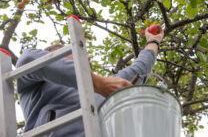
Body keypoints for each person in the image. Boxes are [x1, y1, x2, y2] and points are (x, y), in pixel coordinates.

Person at [16, 28, 164, 137]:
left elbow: (139, 69)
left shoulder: (104, 90)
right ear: (53, 55)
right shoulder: (38, 85)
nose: (87, 59)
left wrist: (154, 41)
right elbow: (27, 59)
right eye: (77, 54)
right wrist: (98, 82)